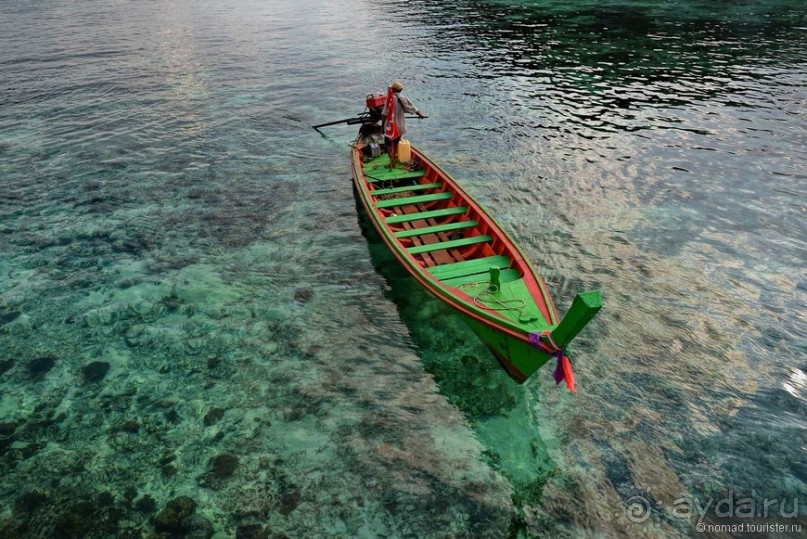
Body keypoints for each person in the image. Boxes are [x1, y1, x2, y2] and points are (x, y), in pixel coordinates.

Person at [382, 80, 426, 168]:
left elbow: (384, 114)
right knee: (396, 143)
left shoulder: (390, 99)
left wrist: (382, 126)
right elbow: (413, 108)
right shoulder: (404, 98)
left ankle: (392, 163)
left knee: (388, 144)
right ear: (400, 90)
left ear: (393, 90)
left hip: (391, 126)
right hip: (400, 125)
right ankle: (395, 159)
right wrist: (420, 114)